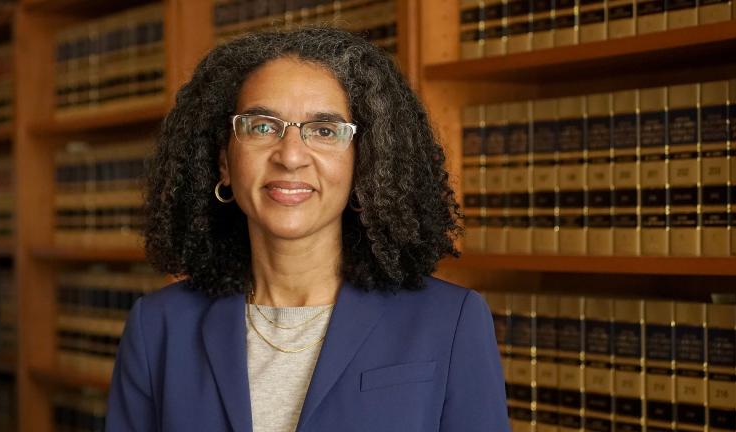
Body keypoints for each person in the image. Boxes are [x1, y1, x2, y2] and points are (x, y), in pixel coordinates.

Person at [105, 27, 509, 432]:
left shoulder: (450, 322)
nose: (291, 156)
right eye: (262, 127)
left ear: (364, 163)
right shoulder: (157, 327)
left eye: (325, 131)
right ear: (224, 163)